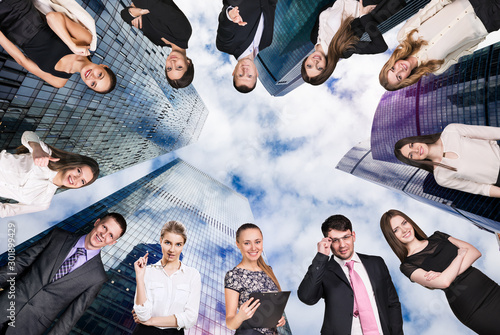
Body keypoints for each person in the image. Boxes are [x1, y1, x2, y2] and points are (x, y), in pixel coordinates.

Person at [0, 213, 127, 335]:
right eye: (104, 227)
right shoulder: (58, 236)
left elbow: (70, 318)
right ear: (97, 222)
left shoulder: (98, 278)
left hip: (29, 328)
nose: (103, 235)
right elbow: (20, 263)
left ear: (112, 242)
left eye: (111, 235)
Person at [380, 209, 500, 334]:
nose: (404, 230)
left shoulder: (438, 236)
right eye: (396, 230)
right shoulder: (407, 266)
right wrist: (459, 256)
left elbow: (475, 252)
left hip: (491, 289)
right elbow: (444, 282)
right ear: (391, 236)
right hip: (473, 308)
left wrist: (446, 274)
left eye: (404, 223)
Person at [298, 215, 403, 335]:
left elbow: (392, 303)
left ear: (353, 236)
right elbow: (306, 297)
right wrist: (321, 257)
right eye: (335, 240)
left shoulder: (376, 263)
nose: (342, 245)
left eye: (346, 237)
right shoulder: (323, 271)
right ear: (327, 241)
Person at [379, 0, 500, 91]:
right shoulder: (436, 68)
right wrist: (481, 32)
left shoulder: (404, 36)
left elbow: (428, 10)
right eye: (399, 77)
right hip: (486, 20)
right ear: (405, 80)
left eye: (393, 69)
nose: (400, 69)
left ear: (391, 62)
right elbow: (464, 50)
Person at [0, 0, 116, 93]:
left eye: (93, 84)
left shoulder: (59, 81)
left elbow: (22, 60)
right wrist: (72, 45)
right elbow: (52, 17)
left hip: (4, 27)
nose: (92, 77)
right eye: (99, 75)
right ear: (103, 66)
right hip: (19, 5)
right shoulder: (85, 41)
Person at [302, 0, 405, 86]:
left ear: (305, 61)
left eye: (309, 66)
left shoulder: (314, 37)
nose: (315, 63)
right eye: (319, 68)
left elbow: (326, 10)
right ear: (326, 68)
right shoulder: (342, 50)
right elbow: (380, 47)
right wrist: (364, 16)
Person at [0, 131, 99, 218]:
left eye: (82, 181)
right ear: (74, 164)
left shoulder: (43, 203)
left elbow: (6, 211)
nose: (76, 178)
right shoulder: (47, 155)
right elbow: (27, 135)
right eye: (79, 171)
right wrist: (36, 147)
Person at [132, 221, 201, 334]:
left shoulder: (192, 275)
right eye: (168, 242)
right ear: (161, 241)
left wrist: (151, 321)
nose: (172, 250)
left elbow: (190, 318)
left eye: (178, 244)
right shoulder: (147, 271)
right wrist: (139, 277)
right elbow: (142, 315)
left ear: (183, 245)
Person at [394, 123, 500, 197]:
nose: (416, 150)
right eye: (411, 155)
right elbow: (480, 189)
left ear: (415, 139)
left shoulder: (451, 130)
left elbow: (492, 133)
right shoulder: (441, 177)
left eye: (412, 145)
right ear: (414, 161)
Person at [224, 223, 286, 335]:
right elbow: (230, 322)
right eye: (247, 243)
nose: (253, 248)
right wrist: (240, 317)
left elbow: (270, 309)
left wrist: (278, 319)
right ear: (238, 244)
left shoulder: (268, 270)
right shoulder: (234, 275)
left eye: (257, 242)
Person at [120, 0, 194, 89]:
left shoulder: (158, 41)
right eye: (179, 67)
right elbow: (151, 4)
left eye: (169, 68)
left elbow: (124, 15)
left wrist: (132, 12)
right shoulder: (184, 32)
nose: (172, 63)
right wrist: (135, 10)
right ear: (188, 63)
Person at [216, 0, 277, 94]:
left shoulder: (225, 45)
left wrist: (230, 16)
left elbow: (225, 27)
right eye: (249, 76)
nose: (245, 71)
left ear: (234, 72)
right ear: (256, 73)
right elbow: (271, 6)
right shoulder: (266, 42)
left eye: (240, 75)